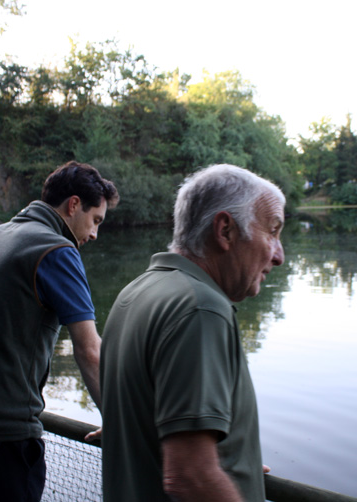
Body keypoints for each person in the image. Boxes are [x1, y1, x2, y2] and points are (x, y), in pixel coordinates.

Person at [0, 161, 119, 502]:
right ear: (73, 205)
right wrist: (121, 422)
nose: (94, 234)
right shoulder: (57, 251)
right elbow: (89, 349)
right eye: (95, 220)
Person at [100, 164, 285, 501]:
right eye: (272, 231)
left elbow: (158, 427)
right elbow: (189, 476)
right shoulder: (201, 310)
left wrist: (233, 460)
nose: (279, 255)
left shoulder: (138, 292)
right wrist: (207, 471)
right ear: (225, 230)